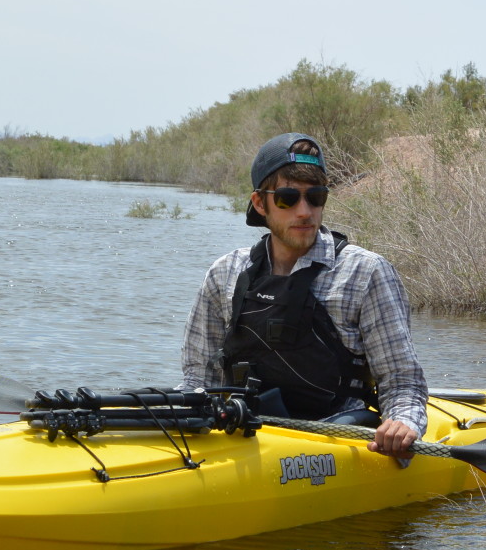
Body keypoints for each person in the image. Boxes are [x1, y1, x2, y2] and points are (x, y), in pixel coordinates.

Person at [179, 132, 428, 460]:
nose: (304, 211)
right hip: (247, 432)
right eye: (287, 198)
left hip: (337, 434)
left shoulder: (366, 272)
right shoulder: (224, 274)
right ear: (259, 203)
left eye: (315, 197)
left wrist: (402, 423)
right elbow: (199, 379)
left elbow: (402, 382)